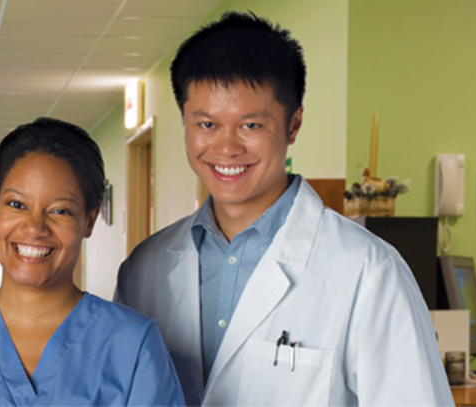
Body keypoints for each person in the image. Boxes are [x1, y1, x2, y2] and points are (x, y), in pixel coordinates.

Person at [114, 12, 454, 406]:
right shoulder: (144, 268)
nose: (226, 149)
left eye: (251, 126)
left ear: (293, 125)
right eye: (206, 125)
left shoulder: (368, 271)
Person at [0, 117, 184, 405]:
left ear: (89, 221)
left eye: (60, 210)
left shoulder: (131, 345)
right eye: (17, 205)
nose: (35, 227)